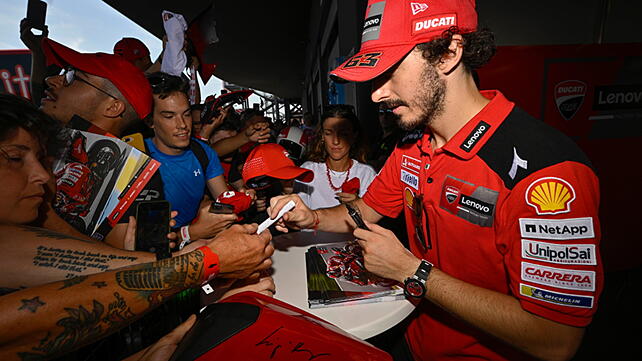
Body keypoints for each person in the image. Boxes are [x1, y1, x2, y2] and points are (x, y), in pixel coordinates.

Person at [269, 1, 602, 360]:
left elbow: (557, 338)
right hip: (412, 337)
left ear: (448, 53)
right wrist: (312, 216)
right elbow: (363, 211)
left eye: (391, 70)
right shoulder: (412, 145)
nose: (377, 94)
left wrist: (411, 271)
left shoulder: (547, 171)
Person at [0, 93, 274, 360]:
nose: (41, 175)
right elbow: (16, 327)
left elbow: (113, 266)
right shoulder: (137, 157)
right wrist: (208, 259)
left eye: (186, 114)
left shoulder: (16, 235)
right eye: (14, 158)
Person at [144, 72, 234, 236]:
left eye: (186, 114)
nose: (182, 125)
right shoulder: (137, 157)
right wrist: (190, 234)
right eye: (169, 116)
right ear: (150, 121)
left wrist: (242, 200)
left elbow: (226, 204)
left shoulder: (203, 152)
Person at [295, 105, 376, 210]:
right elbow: (298, 215)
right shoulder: (308, 170)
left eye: (344, 134)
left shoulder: (366, 174)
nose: (336, 141)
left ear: (354, 136)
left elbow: (373, 218)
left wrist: (359, 205)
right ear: (322, 136)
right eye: (329, 133)